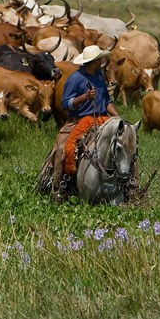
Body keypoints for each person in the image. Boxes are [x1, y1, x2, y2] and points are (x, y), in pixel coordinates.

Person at [50, 45, 119, 203]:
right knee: (63, 148)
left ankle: (129, 183)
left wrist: (118, 118)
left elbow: (106, 102)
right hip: (79, 120)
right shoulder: (75, 79)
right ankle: (60, 187)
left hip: (101, 118)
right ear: (93, 61)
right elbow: (65, 104)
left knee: (124, 144)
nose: (102, 61)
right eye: (100, 59)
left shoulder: (99, 76)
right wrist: (85, 97)